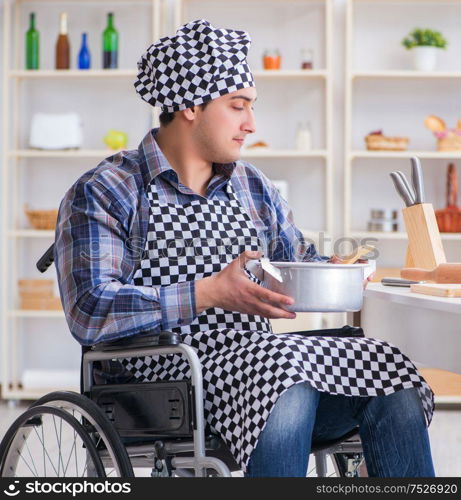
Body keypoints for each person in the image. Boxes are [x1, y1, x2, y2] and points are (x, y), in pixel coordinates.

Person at [55, 19, 435, 477]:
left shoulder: (252, 186)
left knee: (386, 370)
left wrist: (335, 271)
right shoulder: (108, 189)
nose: (251, 124)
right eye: (238, 107)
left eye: (251, 107)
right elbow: (90, 310)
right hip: (159, 383)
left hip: (253, 371)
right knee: (282, 375)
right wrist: (207, 293)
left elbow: (296, 262)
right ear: (191, 105)